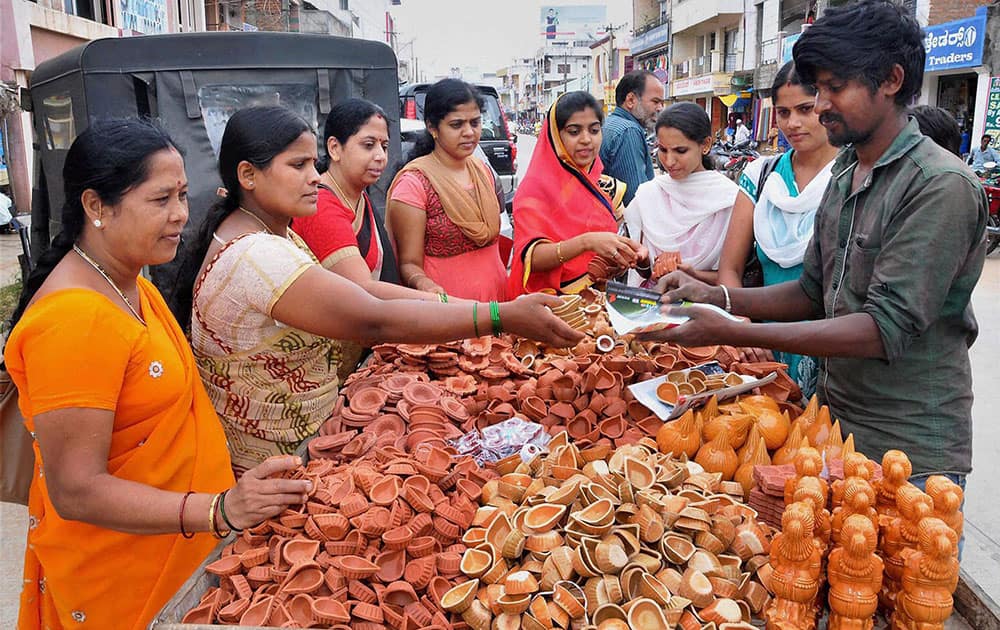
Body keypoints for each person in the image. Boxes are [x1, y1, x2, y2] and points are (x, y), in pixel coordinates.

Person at [644, 0, 986, 488]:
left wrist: (736, 332)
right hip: (834, 420)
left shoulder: (939, 185)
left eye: (834, 88)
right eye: (818, 90)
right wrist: (717, 297)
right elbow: (811, 291)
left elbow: (880, 329)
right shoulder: (848, 170)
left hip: (909, 445)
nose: (822, 105)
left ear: (890, 80)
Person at [4, 119, 311, 630]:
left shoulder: (128, 282)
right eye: (160, 199)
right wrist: (218, 510)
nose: (180, 215)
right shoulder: (73, 320)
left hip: (179, 544)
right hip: (126, 574)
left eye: (184, 196)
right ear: (95, 206)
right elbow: (76, 489)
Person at [170, 106, 581, 475]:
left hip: (301, 439)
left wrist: (476, 307)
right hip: (274, 462)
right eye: (297, 166)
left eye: (312, 164)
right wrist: (498, 318)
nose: (315, 177)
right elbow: (371, 317)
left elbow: (371, 295)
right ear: (248, 175)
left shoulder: (270, 233)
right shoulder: (257, 256)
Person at [716, 61, 839, 398]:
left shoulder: (852, 177)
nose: (792, 123)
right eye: (783, 113)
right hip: (762, 347)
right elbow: (730, 267)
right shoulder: (761, 175)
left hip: (833, 348)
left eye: (804, 109)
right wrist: (742, 326)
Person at [294, 99, 438, 380]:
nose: (381, 156)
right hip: (325, 363)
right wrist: (443, 303)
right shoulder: (322, 206)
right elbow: (364, 288)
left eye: (384, 146)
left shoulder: (359, 196)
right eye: (368, 145)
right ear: (335, 148)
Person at [508, 91, 644, 296]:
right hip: (549, 306)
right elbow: (530, 258)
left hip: (596, 303)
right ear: (555, 136)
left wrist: (625, 255)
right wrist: (587, 242)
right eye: (574, 132)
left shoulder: (601, 186)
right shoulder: (535, 190)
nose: (586, 140)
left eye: (594, 130)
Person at [386, 79, 508, 301]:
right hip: (449, 312)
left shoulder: (483, 171)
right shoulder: (414, 184)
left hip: (498, 300)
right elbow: (409, 264)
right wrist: (424, 284)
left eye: (475, 122)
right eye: (456, 124)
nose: (469, 132)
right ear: (432, 127)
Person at [625, 102, 738, 288]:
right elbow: (643, 271)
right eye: (662, 150)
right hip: (651, 307)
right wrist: (645, 263)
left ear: (705, 145)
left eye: (680, 151)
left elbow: (735, 276)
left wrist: (690, 274)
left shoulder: (729, 200)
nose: (669, 161)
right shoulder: (649, 195)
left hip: (707, 309)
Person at [599, 70, 664, 205]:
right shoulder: (628, 131)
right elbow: (637, 198)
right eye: (655, 102)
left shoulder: (609, 124)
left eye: (662, 103)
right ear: (631, 100)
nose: (660, 108)